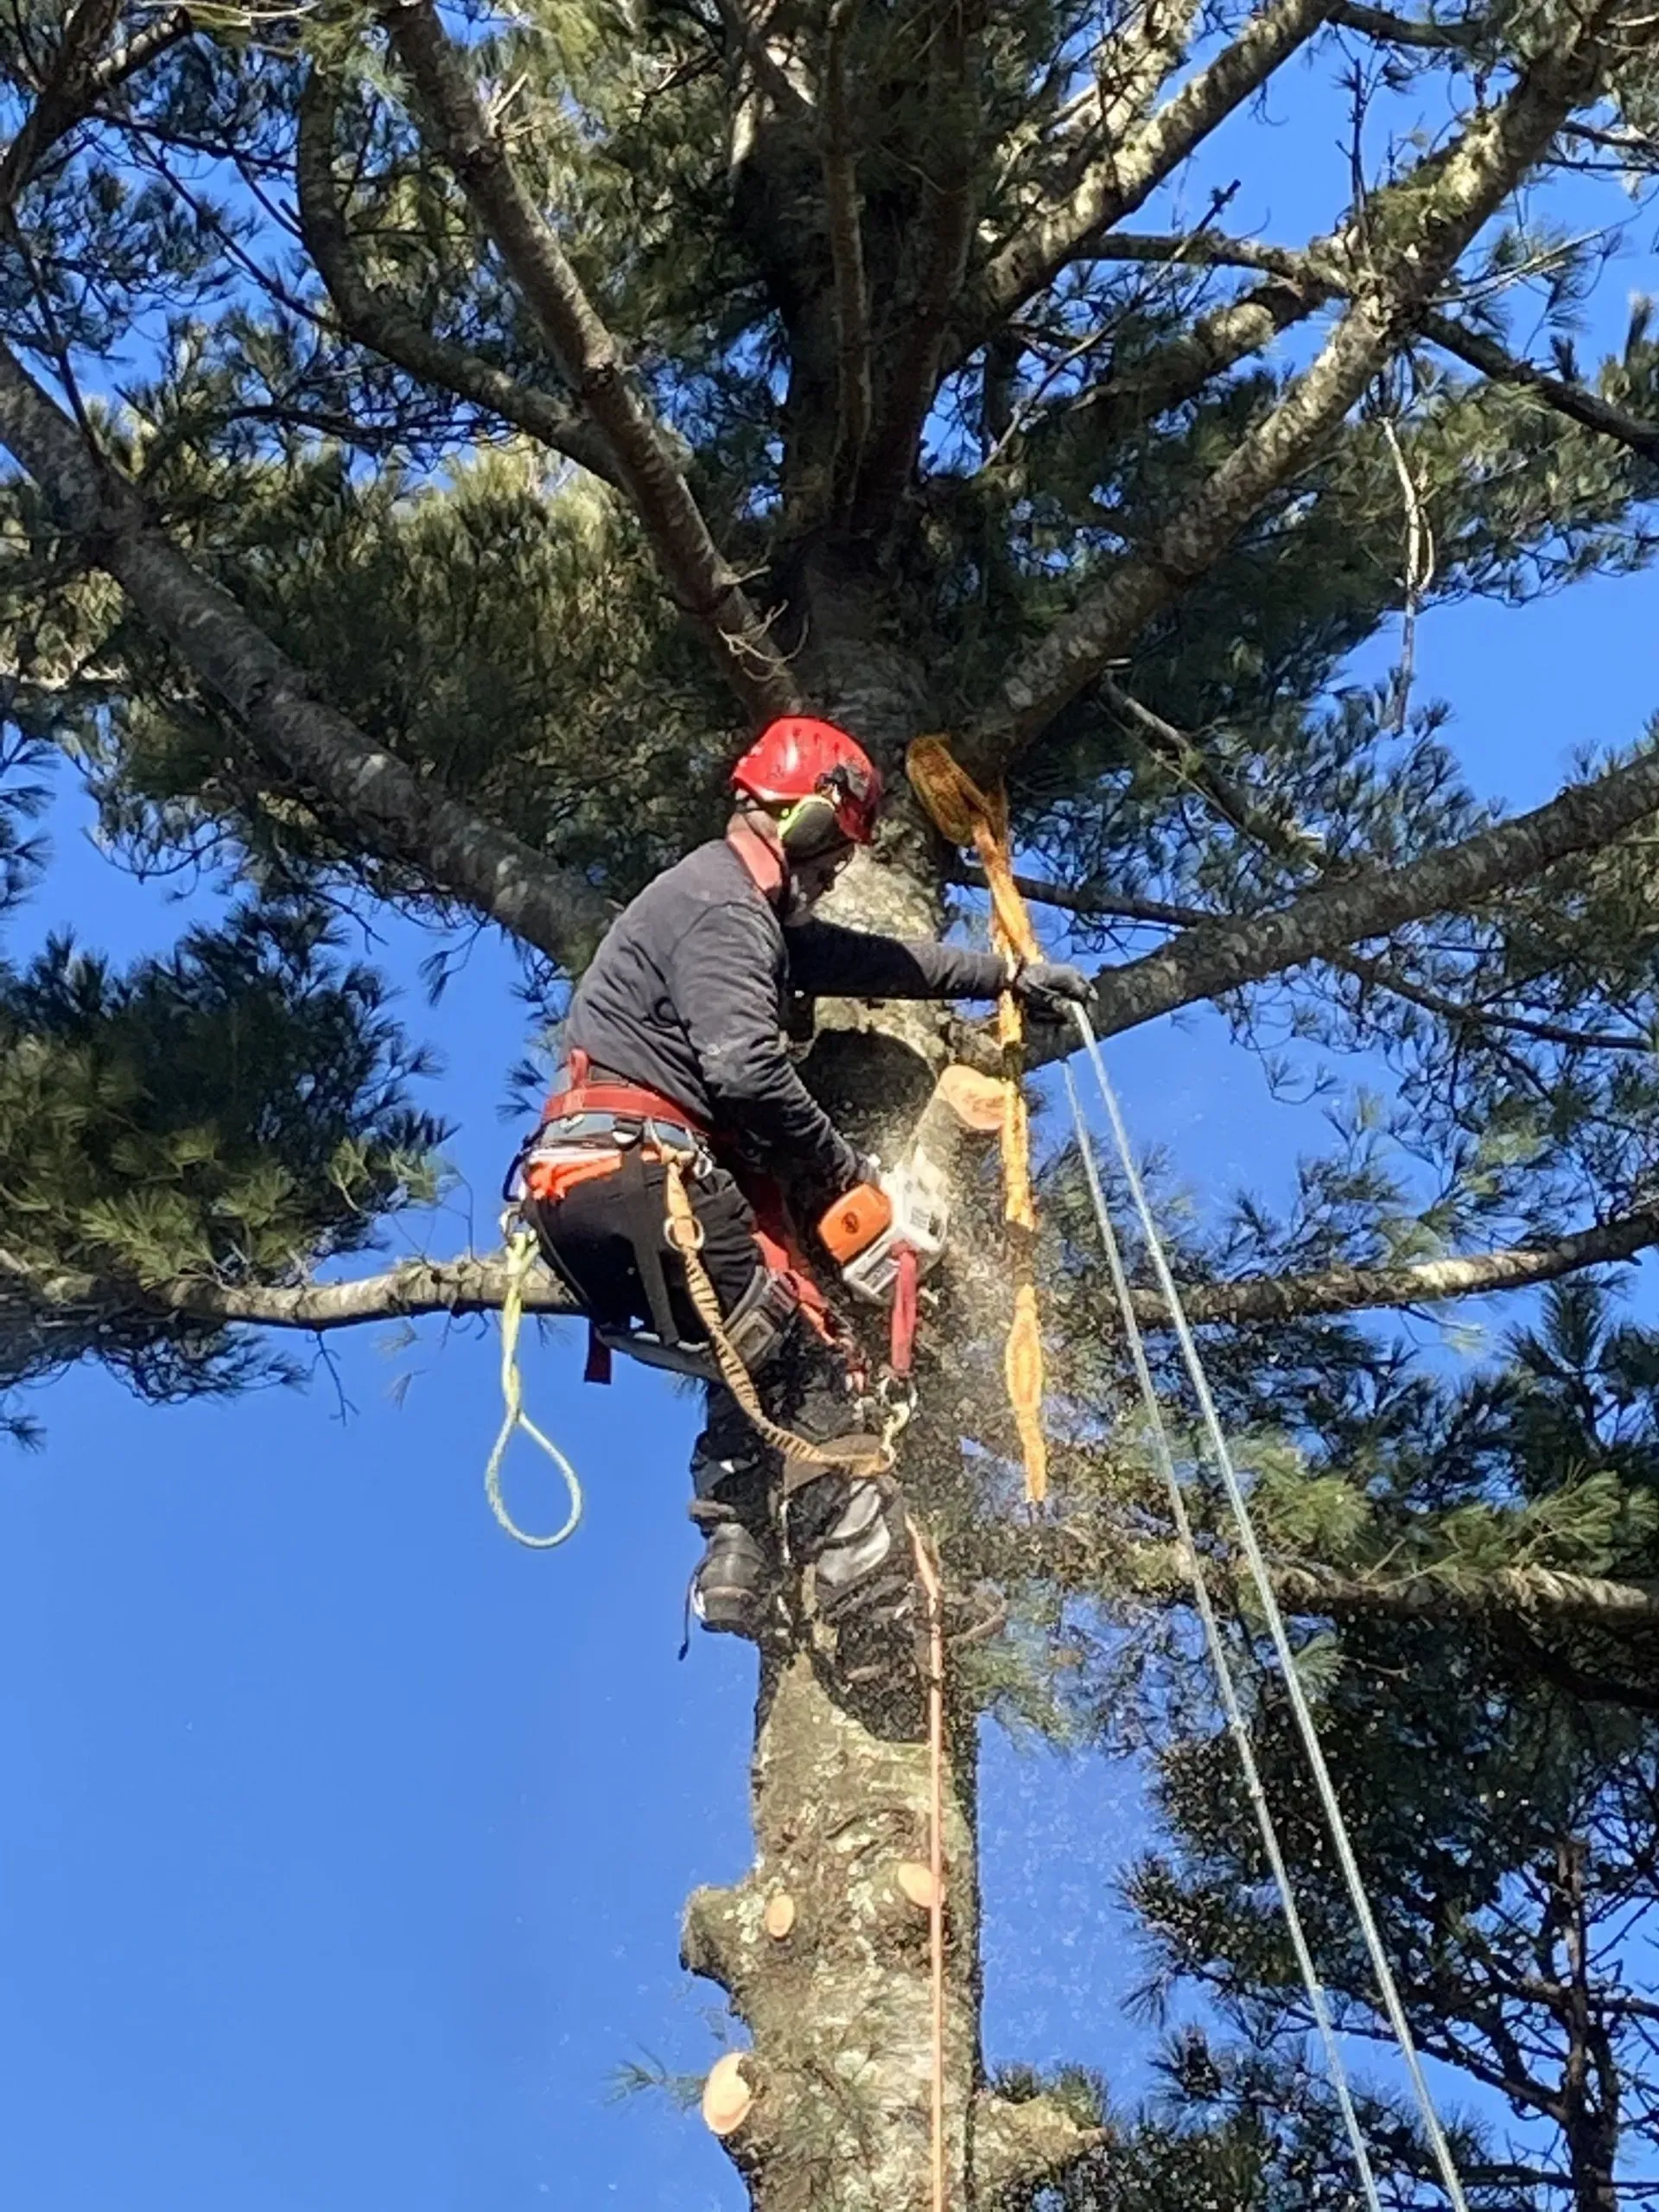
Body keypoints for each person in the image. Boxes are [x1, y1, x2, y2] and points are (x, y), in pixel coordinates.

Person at [518, 715, 1091, 1682]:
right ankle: (875, 1622)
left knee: (760, 1360)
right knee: (822, 1374)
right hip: (640, 1175)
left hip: (592, 1197)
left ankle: (737, 1555)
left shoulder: (736, 909)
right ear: (804, 820)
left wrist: (1007, 976)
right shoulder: (724, 907)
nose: (831, 876)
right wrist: (844, 1183)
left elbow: (880, 963)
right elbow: (743, 1070)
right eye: (832, 852)